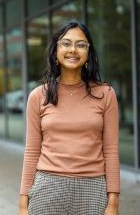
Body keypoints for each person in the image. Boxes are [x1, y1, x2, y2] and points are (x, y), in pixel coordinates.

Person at [18, 21, 120, 215]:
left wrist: (113, 200)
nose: (73, 50)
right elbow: (32, 151)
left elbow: (111, 151)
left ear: (88, 53)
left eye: (81, 45)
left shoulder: (106, 94)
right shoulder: (39, 96)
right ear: (56, 50)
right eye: (66, 43)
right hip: (48, 188)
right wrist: (23, 200)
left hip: (93, 190)